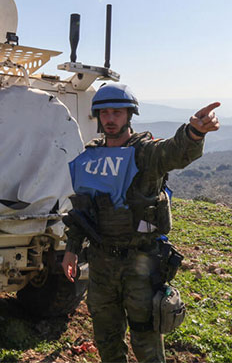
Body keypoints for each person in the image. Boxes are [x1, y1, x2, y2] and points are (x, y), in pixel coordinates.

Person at [60, 83, 220, 363]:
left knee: (146, 339)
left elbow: (175, 152)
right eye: (105, 113)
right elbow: (82, 209)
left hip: (141, 263)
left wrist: (194, 132)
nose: (110, 119)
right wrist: (72, 249)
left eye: (117, 113)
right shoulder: (91, 155)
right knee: (107, 339)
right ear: (98, 116)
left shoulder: (145, 153)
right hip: (101, 263)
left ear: (129, 115)